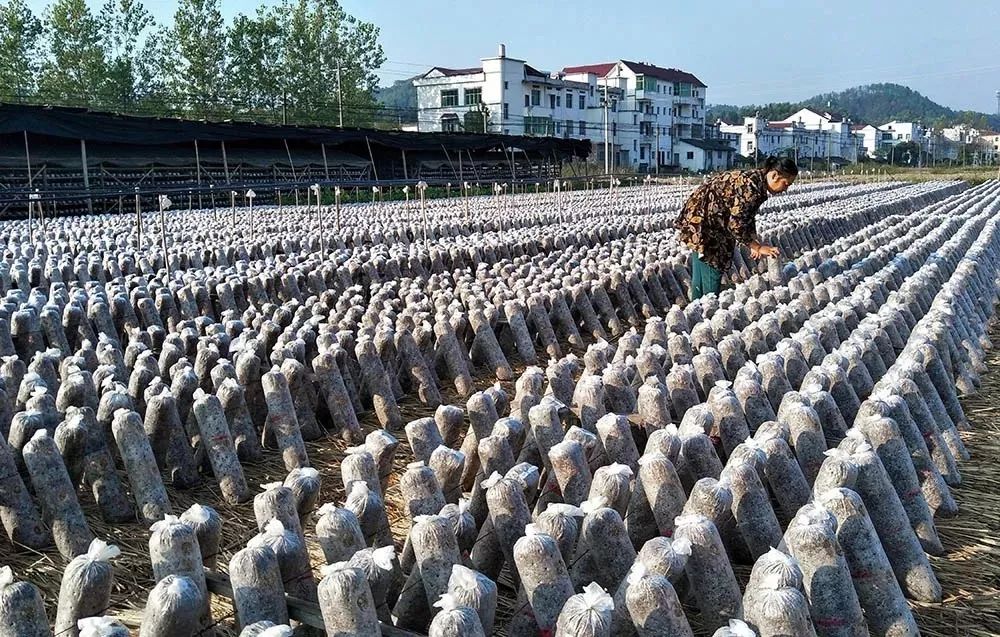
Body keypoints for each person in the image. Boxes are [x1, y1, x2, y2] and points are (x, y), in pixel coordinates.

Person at [674, 156, 798, 300]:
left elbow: (747, 216)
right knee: (713, 267)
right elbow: (736, 224)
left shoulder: (756, 181)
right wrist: (756, 246)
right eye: (786, 183)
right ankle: (707, 307)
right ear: (775, 175)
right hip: (706, 222)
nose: (786, 189)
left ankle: (697, 307)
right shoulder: (751, 187)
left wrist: (753, 241)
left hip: (702, 219)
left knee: (701, 269)